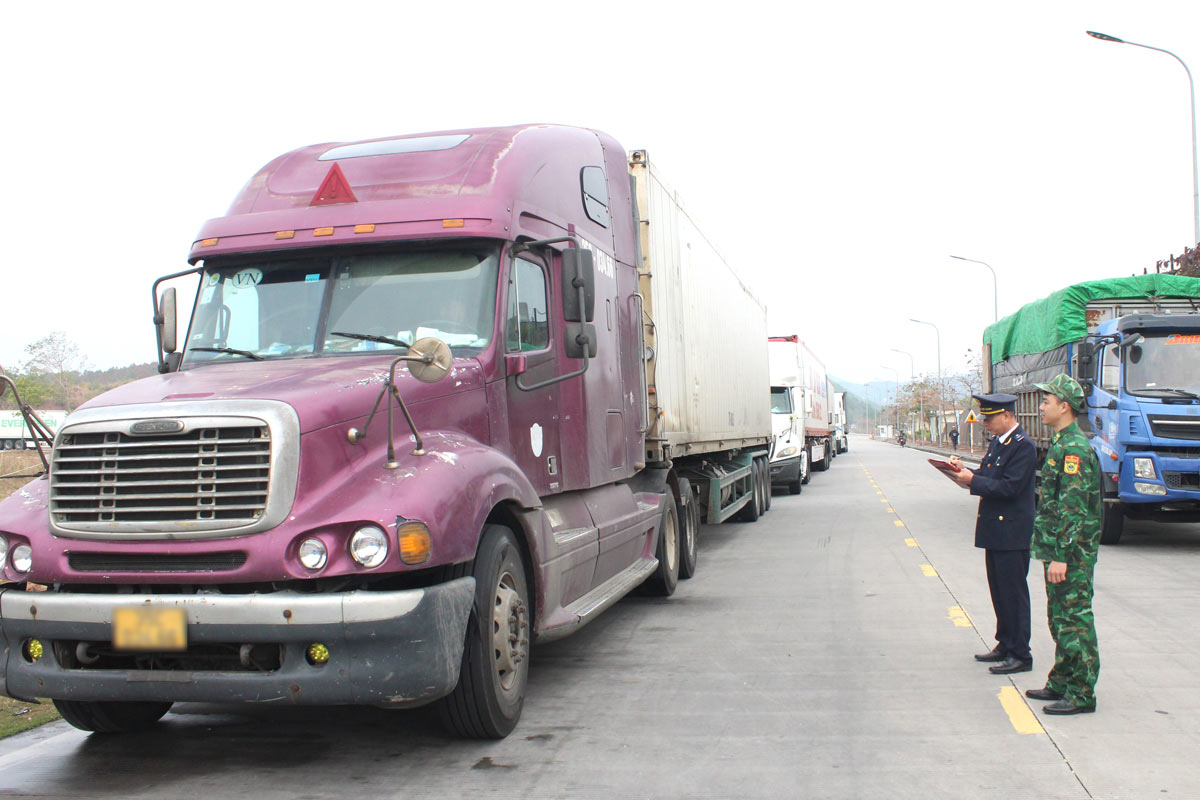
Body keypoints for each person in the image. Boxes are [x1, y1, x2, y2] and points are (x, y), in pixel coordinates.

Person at [1024, 373, 1102, 715]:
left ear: (1064, 406)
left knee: (1074, 619)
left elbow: (1073, 508)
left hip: (1070, 553)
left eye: (1046, 401)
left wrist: (1062, 556)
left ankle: (1082, 693)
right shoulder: (1061, 442)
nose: (1041, 407)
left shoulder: (1074, 449)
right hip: (1057, 549)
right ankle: (1062, 680)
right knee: (1058, 617)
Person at [948, 393, 1037, 675]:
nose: (985, 423)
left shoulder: (1023, 447)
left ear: (1007, 416)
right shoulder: (999, 444)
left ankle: (1021, 653)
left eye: (990, 417)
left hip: (1012, 530)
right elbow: (989, 476)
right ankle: (1005, 642)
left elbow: (1010, 487)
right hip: (996, 529)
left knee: (1014, 592)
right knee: (999, 591)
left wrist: (973, 481)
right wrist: (964, 472)